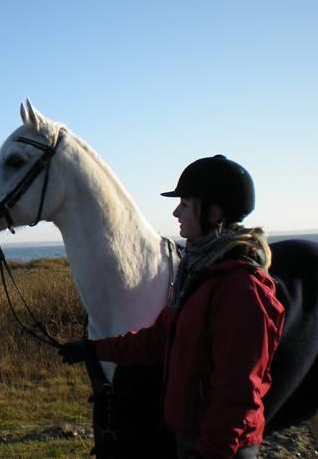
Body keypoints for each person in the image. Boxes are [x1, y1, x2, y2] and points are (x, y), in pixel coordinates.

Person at [59, 155, 286, 459]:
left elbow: (238, 394)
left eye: (186, 205)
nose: (176, 212)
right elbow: (159, 339)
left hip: (221, 449)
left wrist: (207, 453)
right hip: (191, 437)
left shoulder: (240, 290)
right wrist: (95, 349)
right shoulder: (198, 272)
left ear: (214, 213)